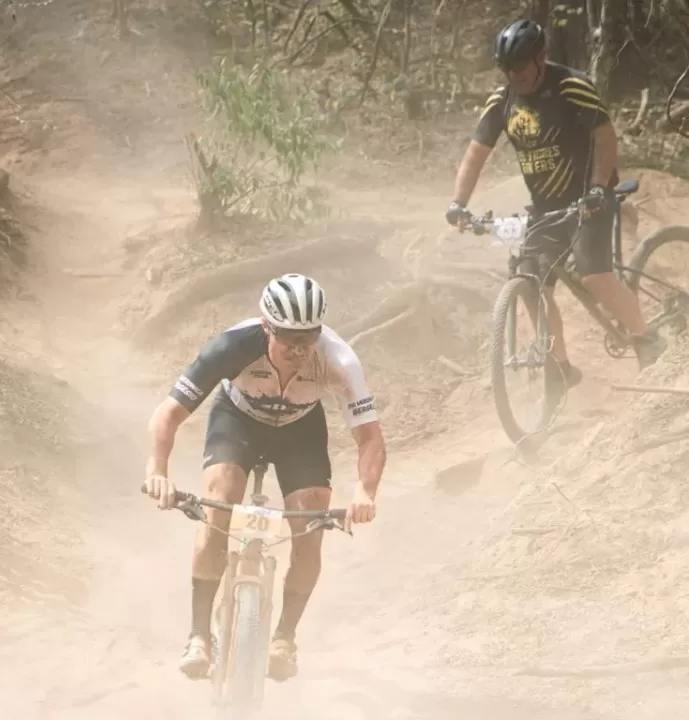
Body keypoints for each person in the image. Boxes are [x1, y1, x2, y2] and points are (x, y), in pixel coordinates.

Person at [144, 273, 386, 682]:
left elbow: (370, 438)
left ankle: (285, 638)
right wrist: (157, 472)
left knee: (310, 526)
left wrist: (365, 492)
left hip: (300, 431)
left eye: (308, 338)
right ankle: (198, 635)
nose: (299, 350)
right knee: (220, 502)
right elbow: (168, 414)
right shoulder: (232, 347)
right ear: (266, 327)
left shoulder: (339, 360)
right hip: (238, 420)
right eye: (289, 338)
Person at [446, 17, 665, 395]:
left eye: (520, 66)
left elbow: (606, 138)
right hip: (546, 208)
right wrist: (458, 204)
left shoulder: (570, 87)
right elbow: (475, 155)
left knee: (594, 275)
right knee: (531, 283)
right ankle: (560, 370)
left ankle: (648, 342)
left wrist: (597, 188)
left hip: (591, 200)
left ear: (540, 58)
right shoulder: (502, 102)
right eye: (506, 68)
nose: (513, 75)